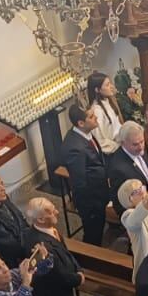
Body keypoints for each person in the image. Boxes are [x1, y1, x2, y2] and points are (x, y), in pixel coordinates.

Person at [59, 101, 113, 245]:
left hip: (100, 191)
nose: (95, 117)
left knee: (100, 227)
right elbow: (80, 182)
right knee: (93, 233)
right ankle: (92, 258)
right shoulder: (75, 148)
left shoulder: (86, 134)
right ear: (81, 123)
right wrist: (91, 208)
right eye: (91, 116)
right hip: (91, 201)